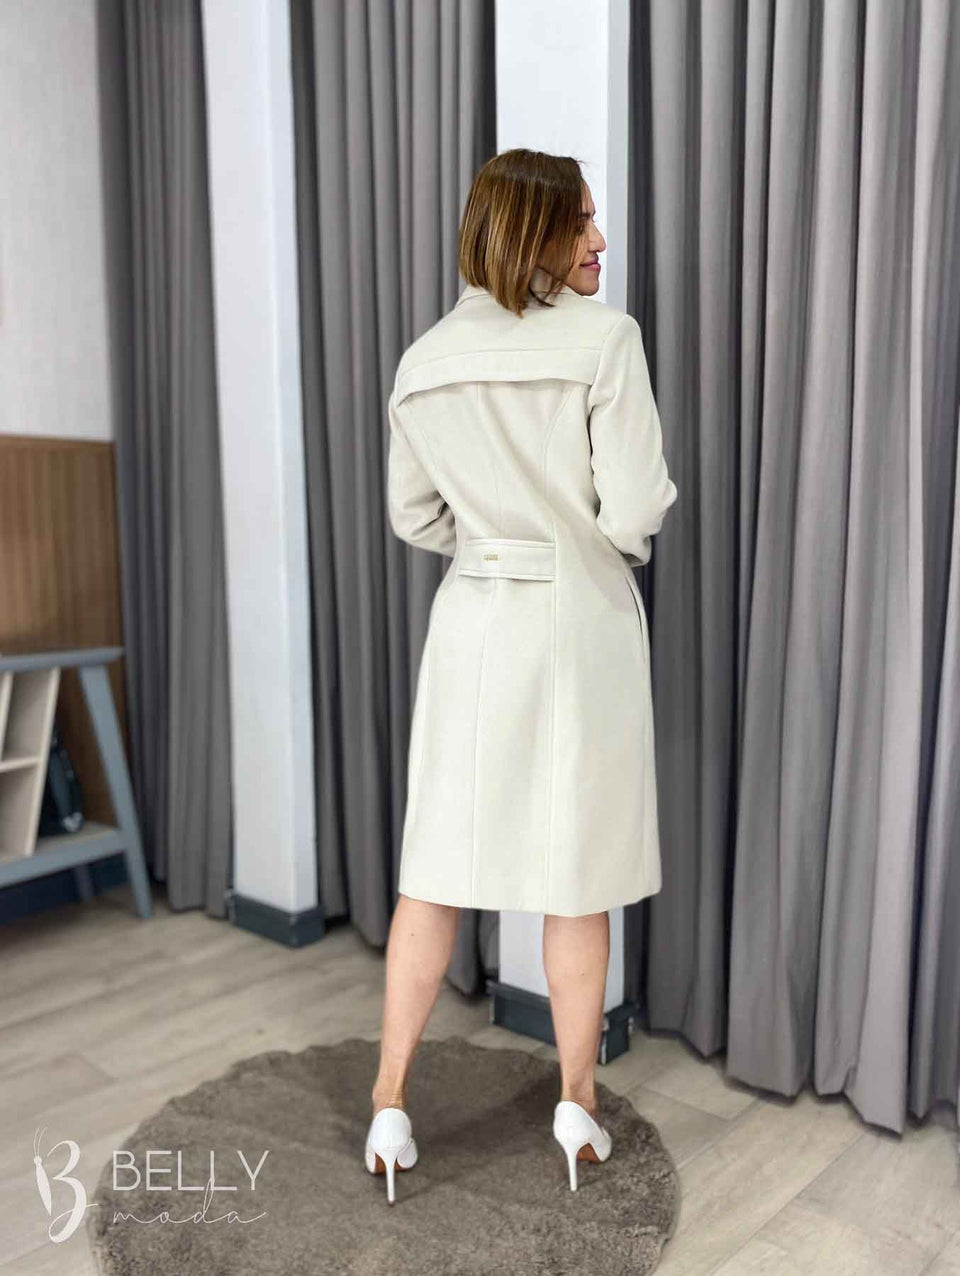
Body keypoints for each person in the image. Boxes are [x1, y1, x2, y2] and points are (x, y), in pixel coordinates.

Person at [364, 148, 679, 1204]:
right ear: (530, 231)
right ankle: (576, 1106)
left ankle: (389, 1106)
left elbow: (414, 516)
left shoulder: (424, 361)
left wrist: (488, 543)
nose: (600, 240)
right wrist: (585, 541)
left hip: (472, 625)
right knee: (574, 878)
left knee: (434, 872)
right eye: (580, 222)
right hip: (575, 627)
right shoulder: (605, 340)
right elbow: (634, 507)